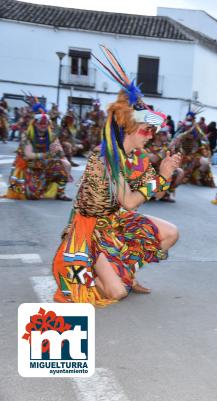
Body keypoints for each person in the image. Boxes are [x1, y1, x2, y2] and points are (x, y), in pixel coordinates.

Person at [52, 46, 181, 305]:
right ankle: (89, 273)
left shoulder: (138, 158)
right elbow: (130, 201)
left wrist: (165, 175)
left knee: (170, 233)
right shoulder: (106, 158)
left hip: (116, 222)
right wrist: (161, 176)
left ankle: (125, 273)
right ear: (131, 129)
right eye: (147, 130)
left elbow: (155, 193)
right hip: (90, 233)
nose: (152, 134)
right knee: (116, 294)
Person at [4, 101, 71, 201]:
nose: (43, 126)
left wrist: (65, 160)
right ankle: (35, 187)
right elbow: (29, 155)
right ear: (35, 123)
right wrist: (47, 155)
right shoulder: (27, 135)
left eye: (45, 123)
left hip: (45, 164)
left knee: (62, 167)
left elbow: (59, 150)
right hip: (30, 166)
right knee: (32, 196)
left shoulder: (52, 136)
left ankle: (60, 193)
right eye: (41, 123)